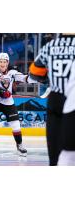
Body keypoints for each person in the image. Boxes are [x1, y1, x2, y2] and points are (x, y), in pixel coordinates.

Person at [0, 52, 37, 156]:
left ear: (7, 62)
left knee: (16, 125)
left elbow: (25, 78)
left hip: (8, 102)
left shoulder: (13, 72)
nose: (2, 64)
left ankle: (19, 145)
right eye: (0, 61)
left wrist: (34, 77)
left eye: (4, 62)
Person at [29, 34, 75, 165]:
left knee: (54, 152)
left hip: (56, 98)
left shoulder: (49, 46)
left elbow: (34, 74)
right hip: (72, 99)